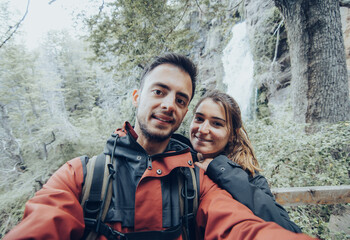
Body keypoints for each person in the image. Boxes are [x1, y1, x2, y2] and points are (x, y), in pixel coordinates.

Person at [4, 53, 316, 240]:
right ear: (137, 97)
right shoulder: (81, 175)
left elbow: (241, 227)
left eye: (180, 100)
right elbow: (41, 224)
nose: (169, 105)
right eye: (159, 92)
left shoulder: (197, 181)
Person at [187, 90, 301, 232]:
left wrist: (222, 170)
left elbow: (288, 230)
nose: (203, 129)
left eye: (216, 123)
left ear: (232, 135)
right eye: (199, 119)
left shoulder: (250, 177)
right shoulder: (175, 162)